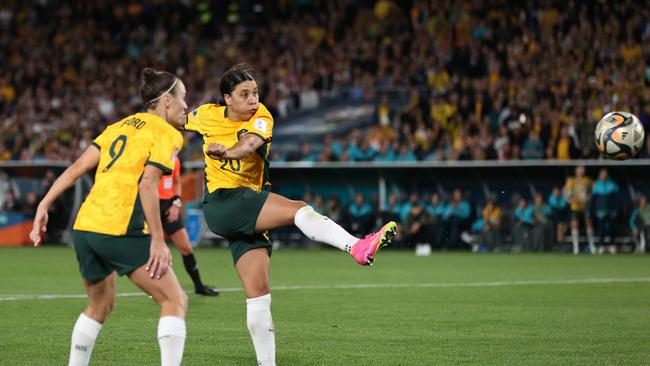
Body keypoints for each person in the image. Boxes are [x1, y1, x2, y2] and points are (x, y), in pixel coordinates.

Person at [184, 64, 397, 366]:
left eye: (255, 92)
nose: (253, 99)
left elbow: (250, 144)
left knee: (258, 294)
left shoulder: (262, 117)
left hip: (245, 206)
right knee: (299, 210)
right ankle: (356, 246)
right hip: (223, 201)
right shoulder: (206, 115)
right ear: (226, 99)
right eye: (244, 94)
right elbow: (177, 121)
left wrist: (227, 152)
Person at [29, 68, 189, 366]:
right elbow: (148, 183)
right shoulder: (167, 133)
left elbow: (78, 166)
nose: (186, 106)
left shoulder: (118, 126)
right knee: (174, 300)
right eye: (183, 98)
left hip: (85, 229)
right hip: (120, 227)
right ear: (166, 101)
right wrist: (157, 239)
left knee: (99, 305)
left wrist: (43, 205)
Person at [158, 156, 219, 296]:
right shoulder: (150, 153)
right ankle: (156, 288)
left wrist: (176, 203)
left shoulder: (174, 158)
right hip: (149, 204)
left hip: (168, 205)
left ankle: (199, 286)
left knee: (186, 247)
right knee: (151, 249)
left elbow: (176, 181)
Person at [563, 165, 595, 254]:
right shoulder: (571, 180)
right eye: (580, 169)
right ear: (576, 170)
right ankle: (576, 248)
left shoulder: (587, 180)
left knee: (589, 224)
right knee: (574, 225)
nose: (581, 171)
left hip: (585, 207)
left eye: (583, 169)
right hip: (575, 207)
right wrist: (568, 199)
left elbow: (594, 189)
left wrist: (589, 198)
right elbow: (565, 191)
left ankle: (592, 246)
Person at [590, 168, 619, 254]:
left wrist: (615, 210)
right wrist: (591, 211)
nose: (603, 175)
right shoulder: (596, 185)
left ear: (607, 175)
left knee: (611, 229)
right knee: (601, 229)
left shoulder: (613, 185)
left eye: (605, 174)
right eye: (602, 174)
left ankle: (612, 245)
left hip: (611, 211)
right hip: (600, 212)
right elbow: (593, 200)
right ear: (599, 175)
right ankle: (601, 246)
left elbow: (617, 200)